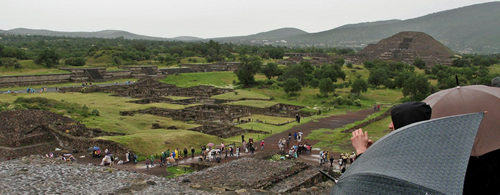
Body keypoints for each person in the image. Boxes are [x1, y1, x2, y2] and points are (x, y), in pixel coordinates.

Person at [351, 101, 432, 158]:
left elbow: (370, 180)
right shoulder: (421, 152)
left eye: (395, 120)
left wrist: (361, 151)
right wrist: (372, 154)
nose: (390, 126)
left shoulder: (411, 157)